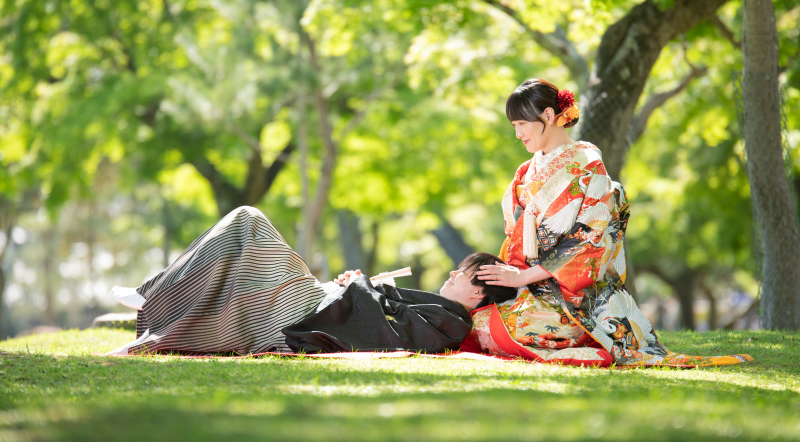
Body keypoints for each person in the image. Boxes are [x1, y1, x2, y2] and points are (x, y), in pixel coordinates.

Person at [468, 79, 752, 367]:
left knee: (501, 329)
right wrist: (513, 279)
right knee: (480, 317)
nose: (517, 134)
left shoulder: (589, 164)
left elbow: (587, 237)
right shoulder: (528, 169)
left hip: (574, 296)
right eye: (514, 126)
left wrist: (523, 278)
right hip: (529, 285)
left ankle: (594, 348)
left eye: (521, 124)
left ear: (549, 117)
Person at [107, 206, 516, 356]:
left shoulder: (452, 324)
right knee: (242, 247)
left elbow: (390, 337)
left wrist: (361, 287)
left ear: (478, 291)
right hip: (320, 301)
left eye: (459, 272)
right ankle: (152, 299)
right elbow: (386, 312)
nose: (449, 273)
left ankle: (151, 300)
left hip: (311, 310)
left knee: (249, 222)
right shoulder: (441, 313)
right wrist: (359, 287)